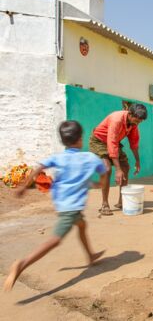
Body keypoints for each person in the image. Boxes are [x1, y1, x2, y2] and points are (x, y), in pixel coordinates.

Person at [3, 121, 107, 292]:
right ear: (80, 139)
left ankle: (91, 256)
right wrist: (98, 184)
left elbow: (38, 168)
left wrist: (24, 187)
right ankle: (21, 264)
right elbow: (104, 172)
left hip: (62, 203)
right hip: (70, 208)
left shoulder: (58, 157)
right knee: (55, 240)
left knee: (82, 225)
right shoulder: (90, 158)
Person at [89, 104, 147, 215]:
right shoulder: (117, 120)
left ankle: (122, 201)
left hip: (113, 141)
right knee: (106, 169)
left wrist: (137, 161)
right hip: (99, 141)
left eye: (140, 122)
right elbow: (112, 143)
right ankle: (105, 204)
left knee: (125, 167)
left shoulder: (133, 124)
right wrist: (117, 169)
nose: (138, 123)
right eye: (137, 120)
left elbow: (134, 142)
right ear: (130, 114)